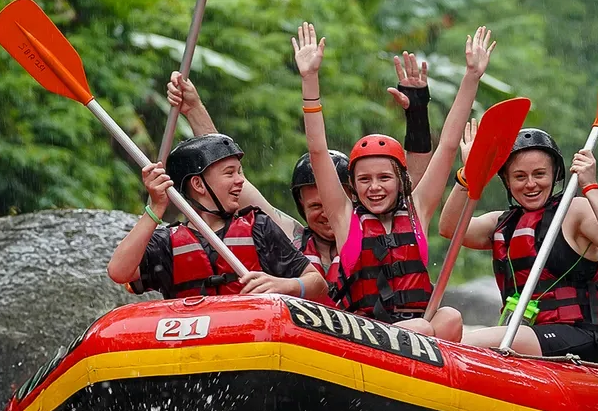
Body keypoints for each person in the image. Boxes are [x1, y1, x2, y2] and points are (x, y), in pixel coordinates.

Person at [292, 22, 495, 340]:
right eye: (364, 179)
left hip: (414, 333)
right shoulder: (344, 218)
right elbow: (318, 151)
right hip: (364, 336)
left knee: (450, 318)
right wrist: (309, 80)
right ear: (353, 186)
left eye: (384, 178)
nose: (374, 187)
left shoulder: (417, 210)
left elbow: (448, 145)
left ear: (400, 180)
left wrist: (472, 77)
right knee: (423, 326)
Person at [163, 50, 436, 279]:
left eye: (330, 200)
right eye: (315, 206)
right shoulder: (290, 238)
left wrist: (417, 113)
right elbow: (232, 183)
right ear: (302, 209)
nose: (326, 212)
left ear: (352, 195)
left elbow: (413, 176)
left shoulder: (383, 225)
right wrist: (194, 109)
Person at [439, 126, 598, 361]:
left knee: (465, 344)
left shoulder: (574, 211)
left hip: (582, 336)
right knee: (453, 331)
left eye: (539, 174)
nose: (530, 184)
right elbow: (450, 229)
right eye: (520, 176)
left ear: (555, 175)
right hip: (524, 335)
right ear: (507, 180)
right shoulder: (501, 224)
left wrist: (590, 186)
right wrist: (468, 174)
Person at [106, 133, 329, 301]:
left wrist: (283, 285)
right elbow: (118, 271)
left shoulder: (259, 227)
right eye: (230, 173)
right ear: (198, 184)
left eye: (239, 172)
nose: (240, 180)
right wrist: (156, 208)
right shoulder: (166, 243)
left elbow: (318, 284)